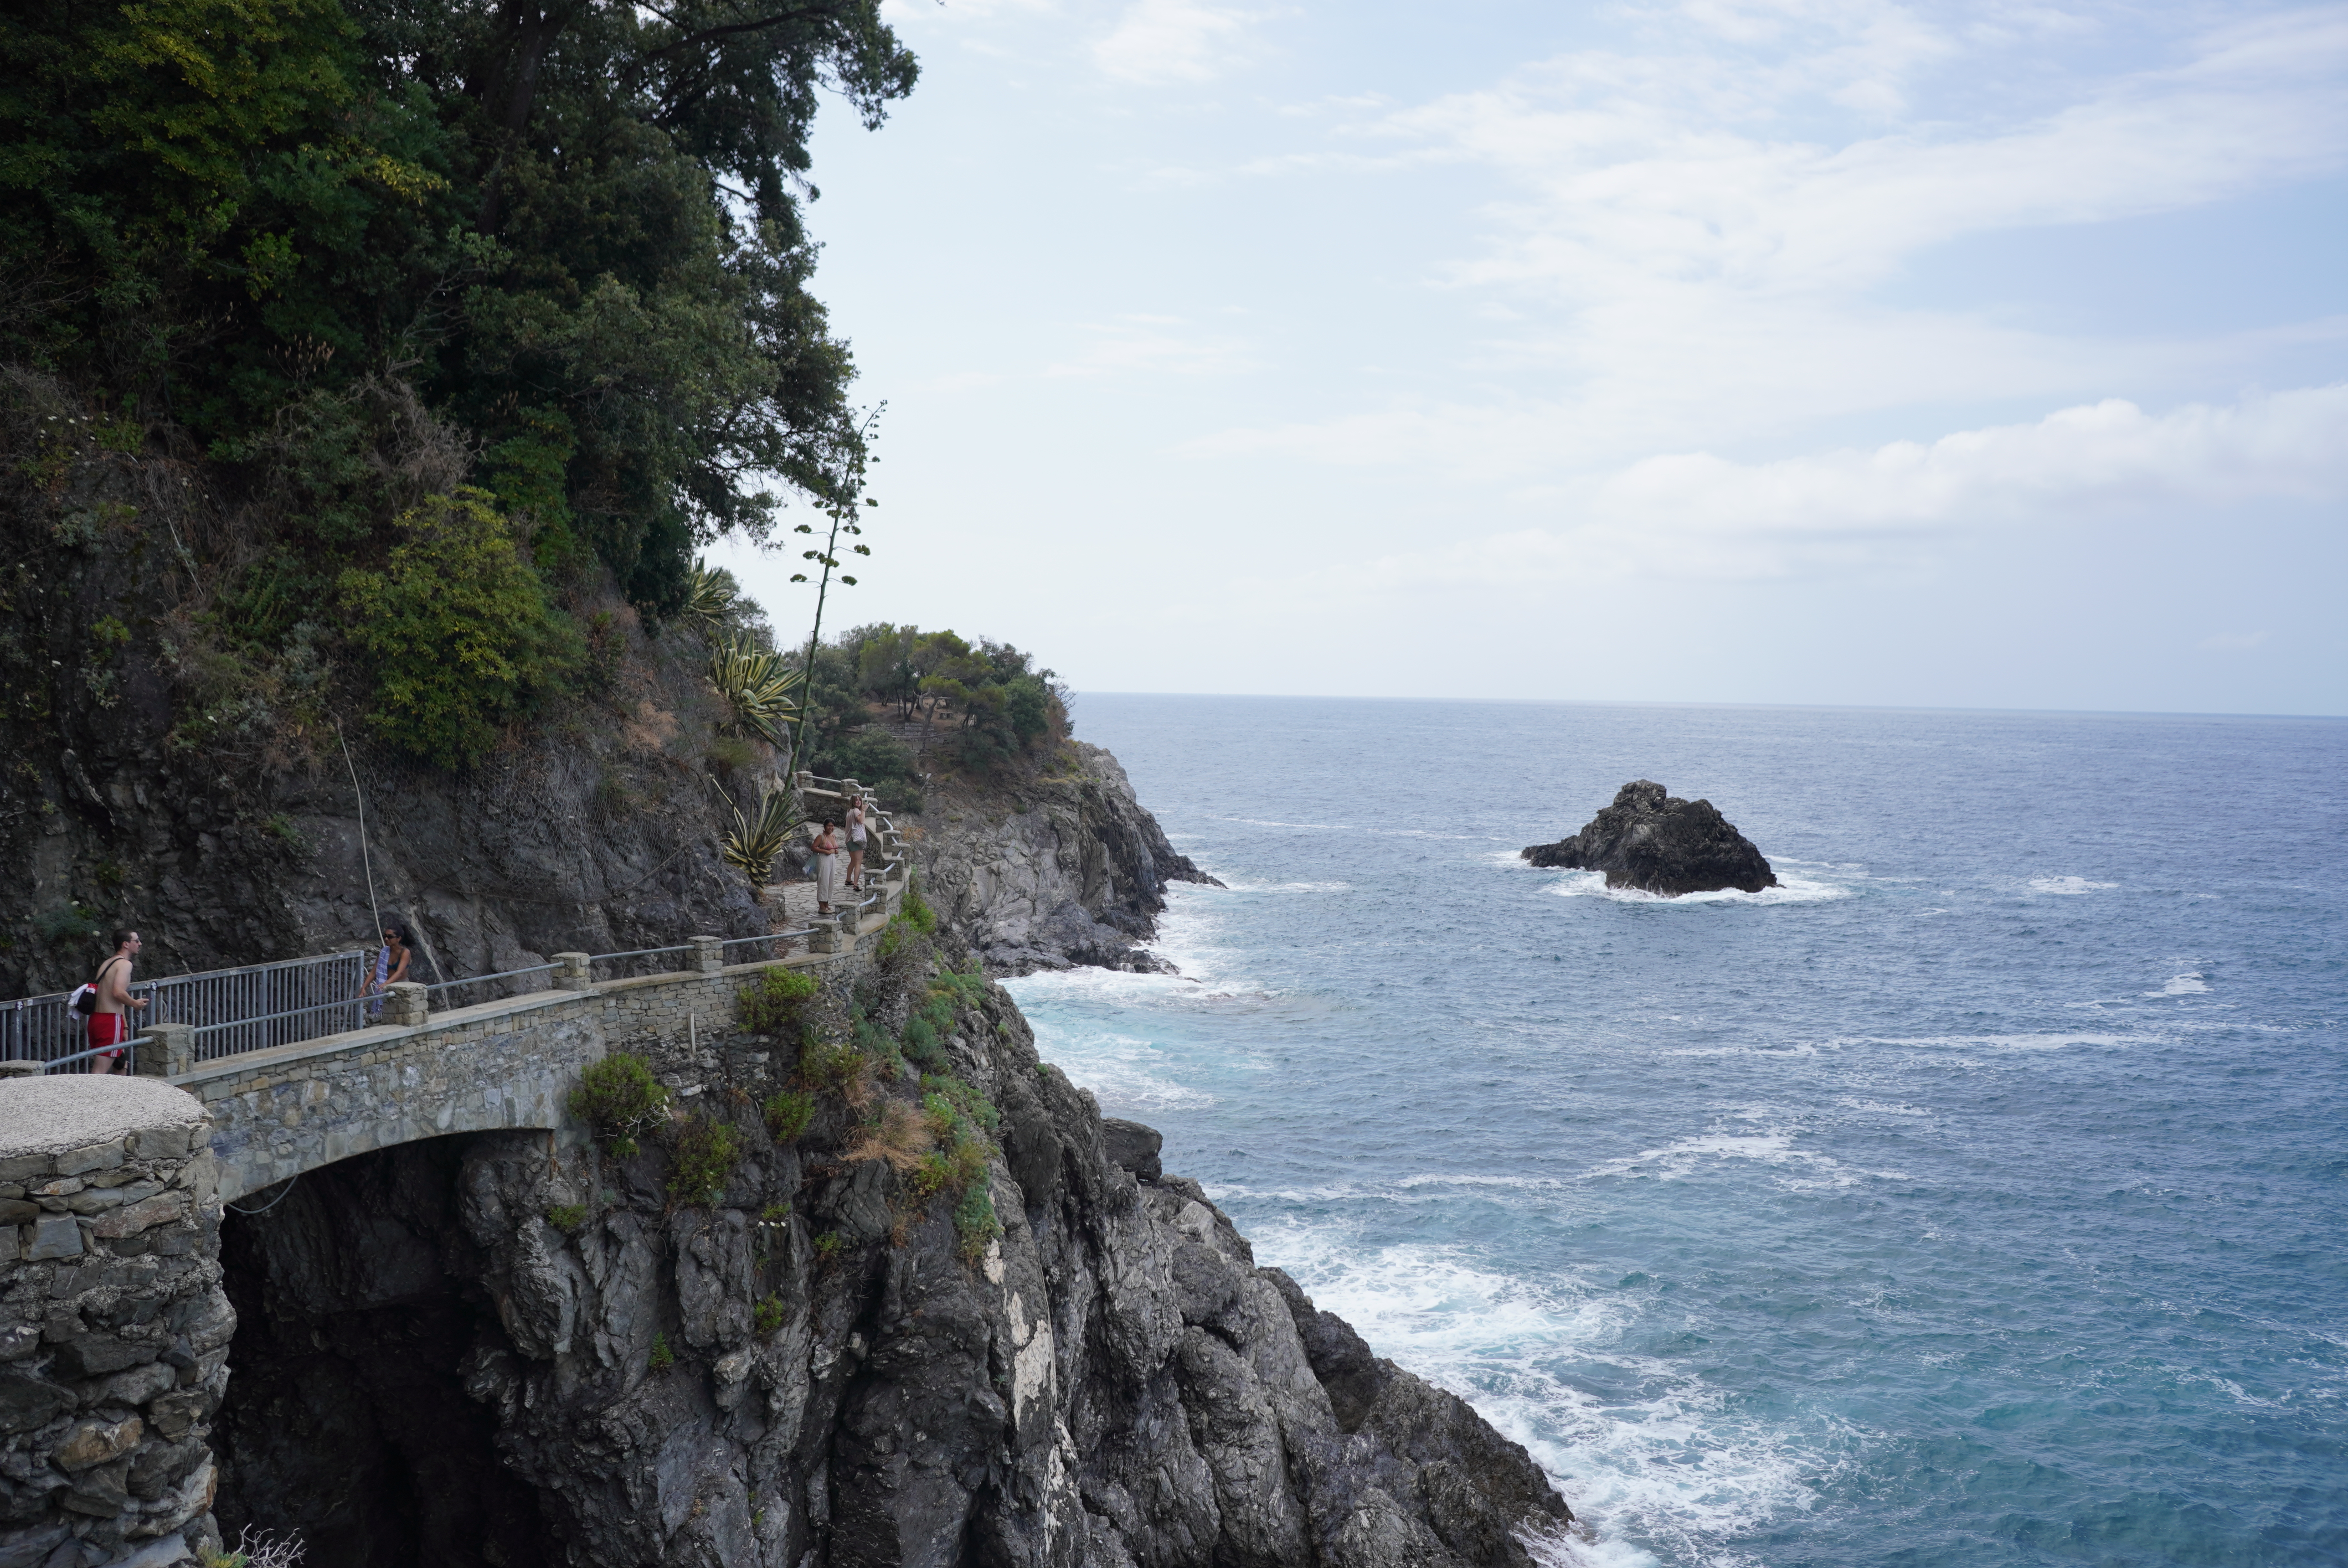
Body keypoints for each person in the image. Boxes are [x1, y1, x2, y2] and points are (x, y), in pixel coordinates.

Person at [84, 929, 146, 1075]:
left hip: (96, 1020)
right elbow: (118, 993)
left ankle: (120, 1097)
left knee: (120, 1063)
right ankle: (89, 1097)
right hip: (110, 1021)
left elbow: (113, 998)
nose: (140, 944)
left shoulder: (107, 963)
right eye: (136, 941)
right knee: (99, 1071)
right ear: (126, 944)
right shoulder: (125, 964)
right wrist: (135, 1004)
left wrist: (124, 1027)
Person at [364, 921, 413, 1019]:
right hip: (387, 985)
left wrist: (385, 984)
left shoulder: (405, 953)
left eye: (390, 937)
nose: (386, 939)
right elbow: (374, 972)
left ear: (398, 938)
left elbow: (399, 973)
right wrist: (364, 987)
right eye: (385, 936)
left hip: (400, 985)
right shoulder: (384, 952)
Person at [811, 819, 840, 915]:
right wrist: (825, 851)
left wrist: (835, 851)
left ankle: (827, 904)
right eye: (829, 826)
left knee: (830, 882)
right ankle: (822, 906)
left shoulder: (833, 836)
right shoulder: (821, 837)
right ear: (825, 827)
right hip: (824, 859)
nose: (831, 828)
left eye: (832, 826)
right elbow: (814, 847)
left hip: (832, 860)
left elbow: (835, 848)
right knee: (823, 882)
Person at [844, 795, 867, 896]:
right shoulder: (857, 811)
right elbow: (861, 821)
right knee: (858, 863)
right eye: (856, 800)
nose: (858, 802)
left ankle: (848, 880)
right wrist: (864, 810)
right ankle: (856, 884)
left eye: (859, 800)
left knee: (853, 861)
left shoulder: (849, 812)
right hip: (856, 840)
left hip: (849, 840)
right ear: (853, 802)